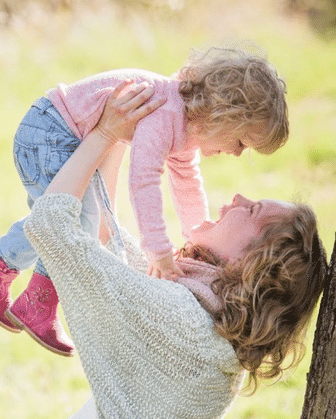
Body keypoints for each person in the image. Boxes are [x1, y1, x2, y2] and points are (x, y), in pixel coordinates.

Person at [0, 46, 289, 356]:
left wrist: (196, 236)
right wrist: (158, 250)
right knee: (71, 220)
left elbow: (187, 184)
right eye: (241, 142)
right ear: (223, 114)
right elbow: (143, 181)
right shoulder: (168, 114)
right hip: (50, 133)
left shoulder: (186, 128)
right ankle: (35, 302)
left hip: (59, 133)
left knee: (67, 217)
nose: (235, 153)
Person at [22, 82, 327, 418]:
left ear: (253, 263)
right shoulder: (209, 321)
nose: (239, 199)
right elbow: (107, 238)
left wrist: (104, 135)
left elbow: (51, 226)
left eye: (253, 210)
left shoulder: (184, 324)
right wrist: (128, 136)